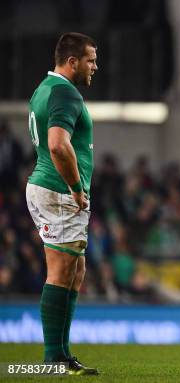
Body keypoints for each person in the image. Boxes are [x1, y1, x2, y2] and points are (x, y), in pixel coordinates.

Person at [25, 32, 99, 375]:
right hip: (57, 191)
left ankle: (63, 354)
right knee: (60, 271)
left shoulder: (45, 88)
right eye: (90, 60)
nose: (94, 67)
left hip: (53, 190)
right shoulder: (65, 94)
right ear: (72, 62)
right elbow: (57, 144)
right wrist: (75, 187)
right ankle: (54, 357)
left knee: (75, 269)